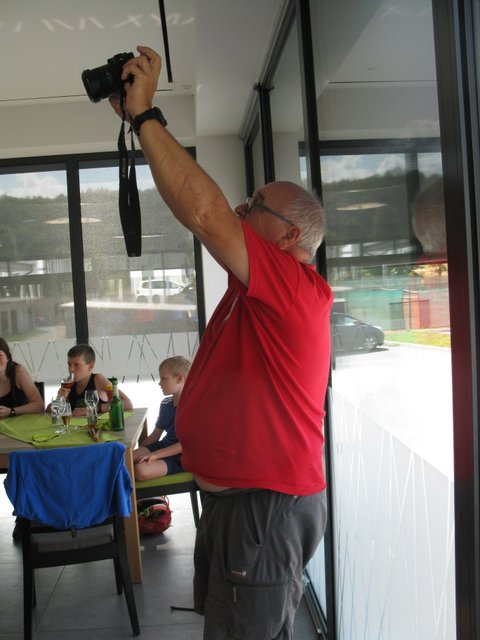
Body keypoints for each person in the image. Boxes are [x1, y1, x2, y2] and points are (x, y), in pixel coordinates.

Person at [110, 46, 333, 639]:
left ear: (288, 236)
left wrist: (146, 117)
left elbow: (207, 213)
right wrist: (142, 126)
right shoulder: (252, 288)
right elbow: (197, 211)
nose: (240, 207)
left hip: (263, 507)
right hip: (237, 505)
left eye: (255, 205)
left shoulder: (295, 289)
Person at [133, 355, 190, 481]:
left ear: (179, 378)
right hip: (164, 446)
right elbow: (155, 435)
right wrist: (140, 451)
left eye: (164, 378)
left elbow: (186, 445)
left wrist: (155, 455)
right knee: (128, 459)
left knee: (140, 470)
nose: (159, 383)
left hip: (183, 455)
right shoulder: (166, 404)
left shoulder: (194, 406)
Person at [48, 344, 132, 417]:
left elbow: (127, 403)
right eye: (69, 364)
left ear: (90, 366)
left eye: (76, 365)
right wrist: (59, 399)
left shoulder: (98, 379)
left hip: (97, 427)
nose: (71, 369)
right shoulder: (68, 383)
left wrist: (95, 408)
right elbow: (47, 411)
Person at [0, 337, 44, 418]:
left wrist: (11, 411)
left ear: (8, 358)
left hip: (23, 422)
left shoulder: (19, 373)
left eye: (0, 356)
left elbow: (39, 406)